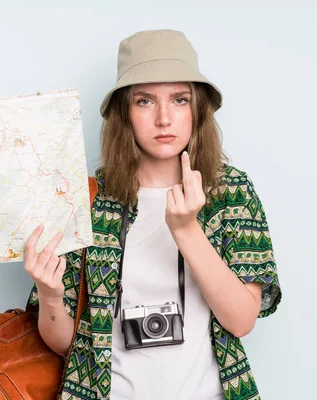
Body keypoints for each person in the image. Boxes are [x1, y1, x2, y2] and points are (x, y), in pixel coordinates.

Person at [23, 29, 282, 400]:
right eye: (145, 101)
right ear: (124, 113)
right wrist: (50, 294)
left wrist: (186, 229)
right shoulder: (88, 199)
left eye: (179, 100)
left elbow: (241, 321)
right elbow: (65, 345)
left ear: (198, 110)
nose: (164, 118)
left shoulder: (231, 194)